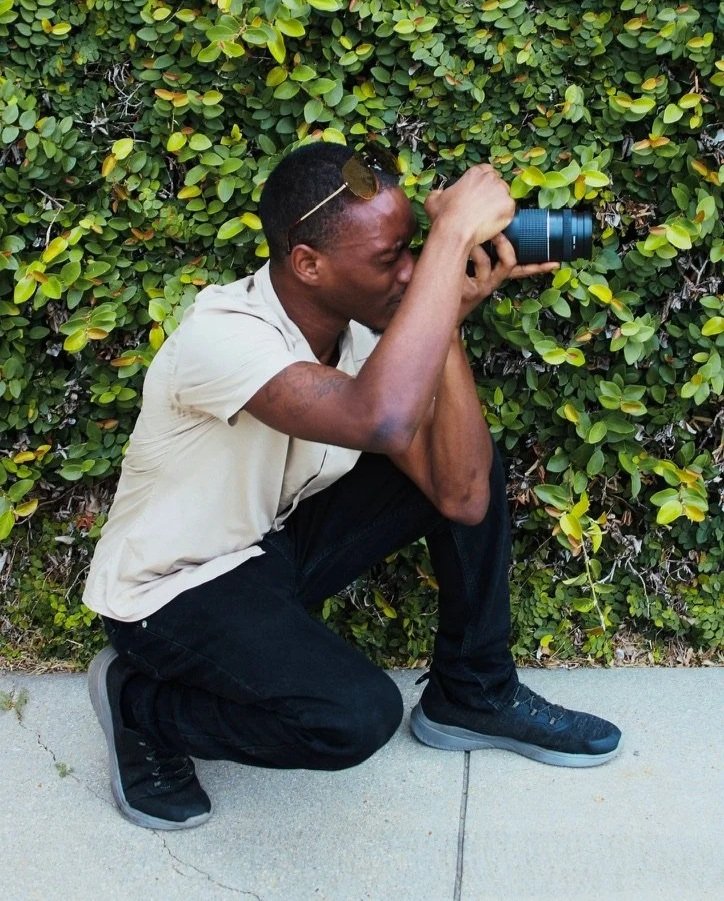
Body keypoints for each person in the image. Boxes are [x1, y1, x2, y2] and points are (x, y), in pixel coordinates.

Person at [83, 141, 621, 831]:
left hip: (264, 549)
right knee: (354, 717)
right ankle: (137, 703)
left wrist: (443, 316)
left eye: (414, 247)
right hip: (172, 589)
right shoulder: (223, 336)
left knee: (473, 457)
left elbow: (461, 495)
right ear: (308, 263)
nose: (411, 271)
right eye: (392, 257)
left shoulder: (359, 329)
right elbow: (384, 418)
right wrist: (449, 238)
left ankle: (473, 691)